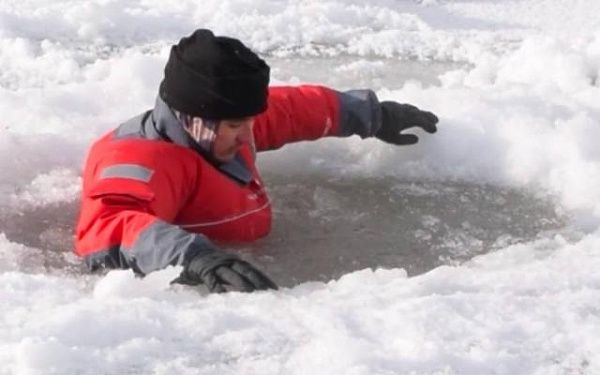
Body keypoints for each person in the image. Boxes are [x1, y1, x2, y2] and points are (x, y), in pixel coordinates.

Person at [74, 29, 438, 293]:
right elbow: (109, 224)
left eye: (249, 121)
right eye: (236, 125)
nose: (250, 135)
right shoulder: (140, 157)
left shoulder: (221, 129)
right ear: (192, 119)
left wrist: (372, 115)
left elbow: (294, 110)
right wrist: (194, 257)